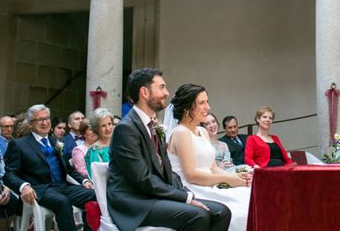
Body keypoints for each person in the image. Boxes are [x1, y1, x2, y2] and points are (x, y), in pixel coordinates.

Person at [107, 68, 231, 231]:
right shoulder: (126, 129)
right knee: (198, 215)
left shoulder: (153, 126)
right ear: (144, 92)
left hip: (155, 195)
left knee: (222, 212)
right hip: (135, 201)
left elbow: (168, 171)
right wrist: (185, 198)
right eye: (162, 87)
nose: (166, 93)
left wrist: (187, 193)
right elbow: (143, 179)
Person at [168, 84, 251, 231]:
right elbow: (191, 175)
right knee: (240, 210)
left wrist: (236, 175)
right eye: (202, 103)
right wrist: (229, 180)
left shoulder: (202, 131)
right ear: (188, 108)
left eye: (207, 101)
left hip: (209, 183)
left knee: (249, 196)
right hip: (192, 188)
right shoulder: (181, 132)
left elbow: (213, 168)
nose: (208, 107)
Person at [3, 104, 96, 231]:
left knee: (97, 195)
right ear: (30, 124)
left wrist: (84, 181)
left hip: (64, 187)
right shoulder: (19, 145)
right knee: (62, 201)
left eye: (47, 119)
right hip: (41, 190)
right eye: (40, 119)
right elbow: (9, 174)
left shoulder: (56, 142)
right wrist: (24, 186)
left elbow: (68, 169)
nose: (45, 122)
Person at [84, 108, 114, 178]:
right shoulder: (95, 150)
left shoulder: (118, 144)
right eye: (103, 126)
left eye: (109, 124)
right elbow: (97, 178)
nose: (108, 128)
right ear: (96, 128)